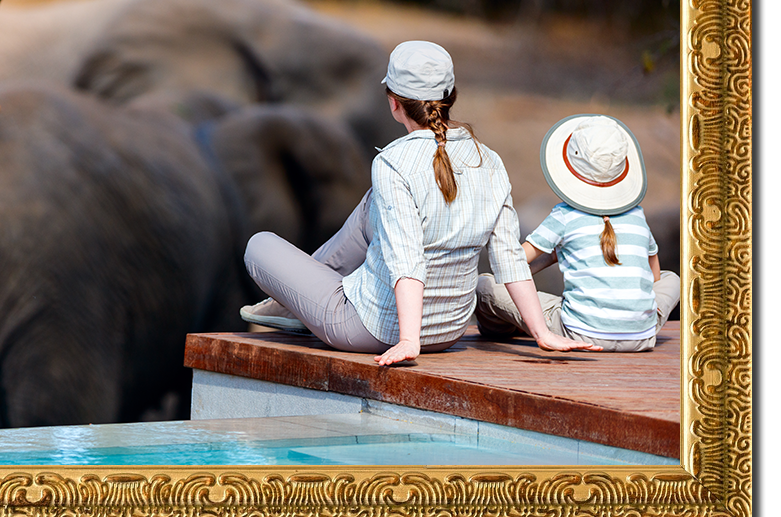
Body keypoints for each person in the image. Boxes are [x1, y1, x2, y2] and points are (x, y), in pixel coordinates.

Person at [241, 41, 600, 365]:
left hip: (372, 330)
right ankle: (291, 306)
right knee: (372, 206)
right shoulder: (489, 159)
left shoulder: (392, 162)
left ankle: (291, 305)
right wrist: (542, 333)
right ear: (451, 96)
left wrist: (409, 340)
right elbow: (509, 256)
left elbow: (407, 257)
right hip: (450, 330)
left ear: (393, 103)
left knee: (259, 246)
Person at [475, 115, 680, 352]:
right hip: (642, 336)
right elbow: (654, 277)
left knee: (485, 286)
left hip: (579, 331)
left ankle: (509, 329)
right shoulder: (637, 215)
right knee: (671, 279)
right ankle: (630, 320)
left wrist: (548, 259)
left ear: (570, 166)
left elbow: (510, 263)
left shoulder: (564, 215)